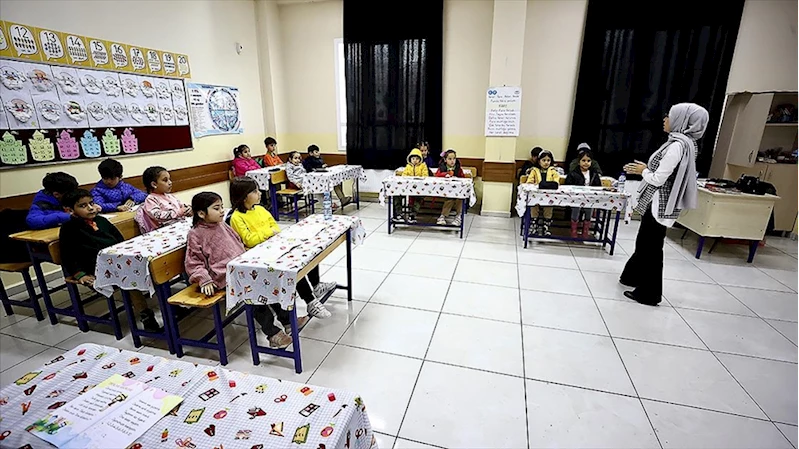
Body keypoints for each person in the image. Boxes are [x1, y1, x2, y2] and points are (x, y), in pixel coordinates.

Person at [183, 191, 301, 348]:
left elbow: (238, 243)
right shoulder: (196, 234)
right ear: (201, 213)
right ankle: (272, 333)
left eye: (221, 207)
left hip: (242, 268)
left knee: (270, 283)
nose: (222, 211)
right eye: (216, 208)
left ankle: (287, 321)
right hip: (224, 277)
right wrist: (204, 279)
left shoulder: (222, 225)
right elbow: (193, 262)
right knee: (254, 294)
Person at [620, 103, 707, 306]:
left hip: (659, 203)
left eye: (669, 116)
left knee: (651, 247)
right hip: (662, 202)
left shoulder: (677, 145)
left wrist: (642, 170)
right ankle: (631, 277)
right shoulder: (687, 143)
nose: (665, 119)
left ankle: (649, 294)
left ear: (682, 121)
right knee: (645, 243)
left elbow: (659, 178)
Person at [229, 177, 335, 319]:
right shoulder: (236, 217)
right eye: (254, 191)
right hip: (258, 255)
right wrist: (268, 233)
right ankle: (310, 301)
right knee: (292, 267)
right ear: (243, 197)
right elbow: (249, 239)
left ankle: (316, 286)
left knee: (307, 252)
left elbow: (275, 227)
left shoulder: (260, 209)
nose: (259, 193)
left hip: (273, 246)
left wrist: (268, 234)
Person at [59, 189, 162, 332]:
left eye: (91, 203)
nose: (90, 208)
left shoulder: (101, 221)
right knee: (129, 279)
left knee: (151, 267)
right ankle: (146, 315)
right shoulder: (69, 229)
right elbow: (68, 256)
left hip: (117, 261)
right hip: (95, 267)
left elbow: (120, 241)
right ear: (70, 210)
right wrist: (80, 274)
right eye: (83, 206)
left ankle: (166, 306)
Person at [135, 166, 192, 233]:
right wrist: (179, 212)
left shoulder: (170, 196)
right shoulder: (151, 199)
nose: (170, 182)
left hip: (180, 225)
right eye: (165, 180)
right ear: (154, 184)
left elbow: (181, 206)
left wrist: (187, 209)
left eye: (169, 179)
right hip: (166, 230)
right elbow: (158, 215)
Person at [565, 147, 602, 238]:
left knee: (589, 209)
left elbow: (598, 186)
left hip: (590, 198)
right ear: (579, 162)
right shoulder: (573, 173)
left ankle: (585, 230)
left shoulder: (594, 174)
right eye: (583, 160)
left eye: (588, 161)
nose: (586, 163)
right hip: (576, 198)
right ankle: (574, 230)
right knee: (575, 209)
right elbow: (568, 185)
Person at [526, 149, 560, 236]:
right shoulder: (534, 170)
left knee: (549, 207)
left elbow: (556, 182)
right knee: (533, 205)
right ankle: (533, 225)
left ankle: (546, 227)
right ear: (539, 161)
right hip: (536, 195)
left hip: (548, 196)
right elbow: (529, 182)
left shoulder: (553, 171)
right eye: (544, 160)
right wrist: (535, 184)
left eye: (548, 160)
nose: (546, 162)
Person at [435, 149, 466, 226]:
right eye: (450, 159)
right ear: (445, 160)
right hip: (444, 190)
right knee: (450, 198)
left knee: (460, 197)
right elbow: (437, 175)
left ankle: (458, 216)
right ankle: (443, 216)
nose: (452, 161)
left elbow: (463, 178)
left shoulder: (458, 168)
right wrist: (445, 174)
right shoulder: (442, 167)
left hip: (457, 190)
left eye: (454, 158)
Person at [400, 148, 429, 223]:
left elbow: (425, 175)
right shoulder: (408, 167)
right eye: (413, 158)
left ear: (420, 159)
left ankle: (413, 213)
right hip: (410, 188)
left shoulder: (423, 166)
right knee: (410, 199)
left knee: (418, 199)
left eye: (417, 159)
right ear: (410, 159)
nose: (415, 160)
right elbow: (404, 175)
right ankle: (410, 212)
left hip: (420, 188)